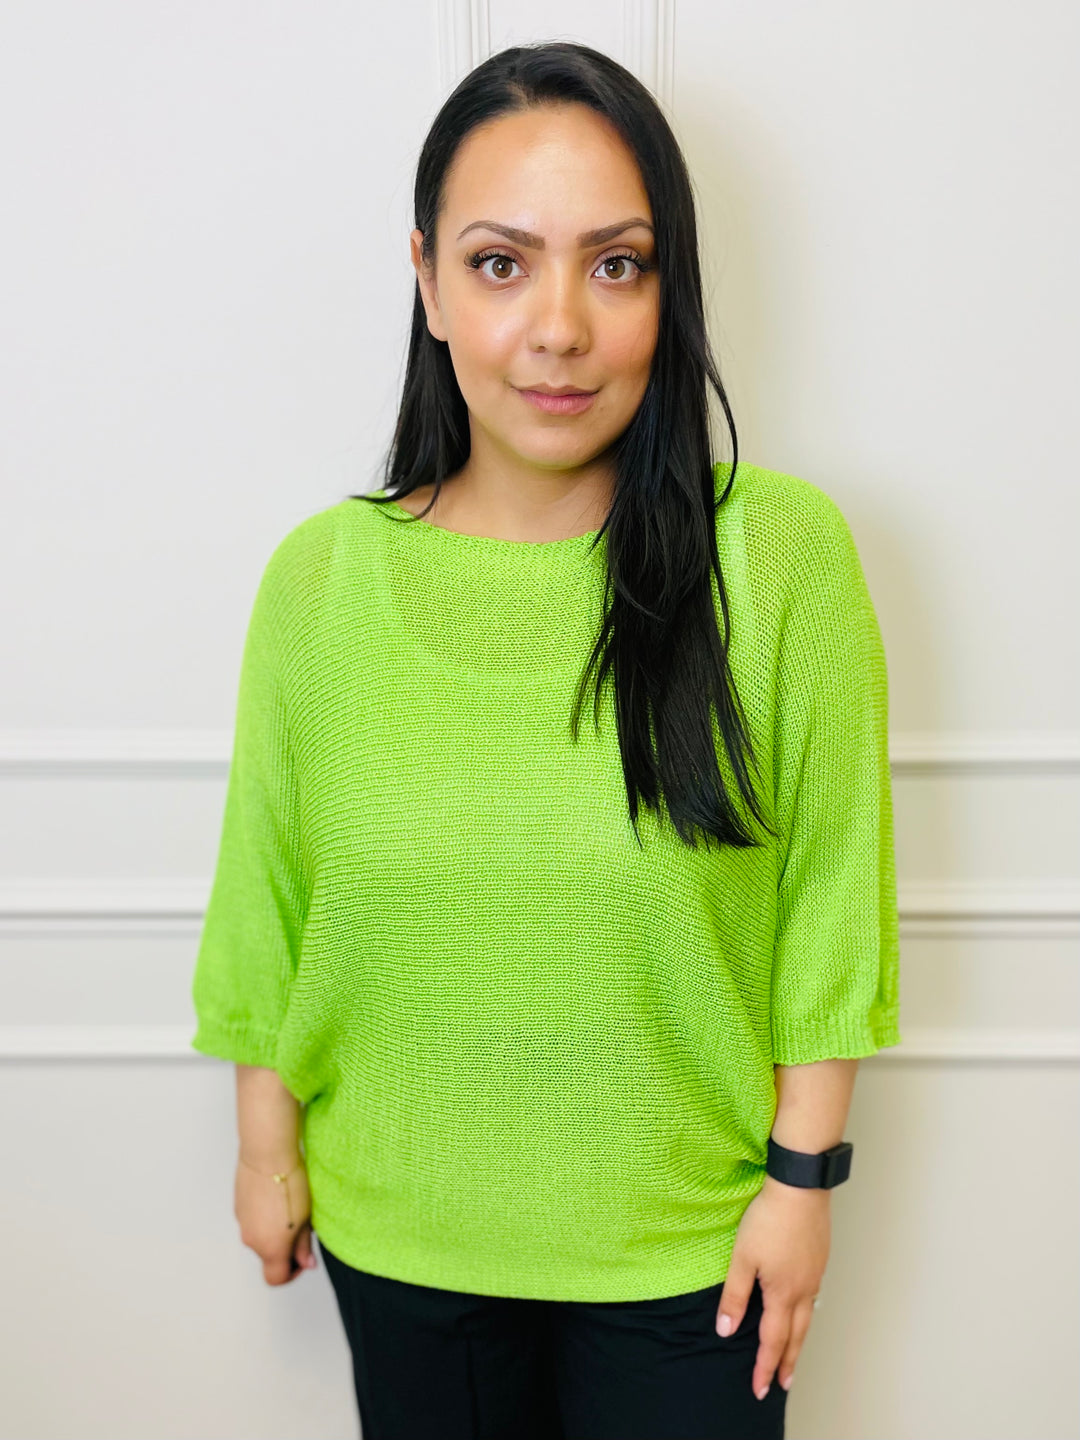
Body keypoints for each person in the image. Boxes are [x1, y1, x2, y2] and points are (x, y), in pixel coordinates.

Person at [190, 39, 902, 1440]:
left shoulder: (778, 558)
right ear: (428, 281)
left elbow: (832, 893)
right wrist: (264, 1149)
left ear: (669, 287)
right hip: (402, 1243)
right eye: (501, 264)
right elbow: (270, 893)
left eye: (616, 265)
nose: (559, 327)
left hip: (692, 1260)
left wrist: (804, 1181)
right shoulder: (323, 580)